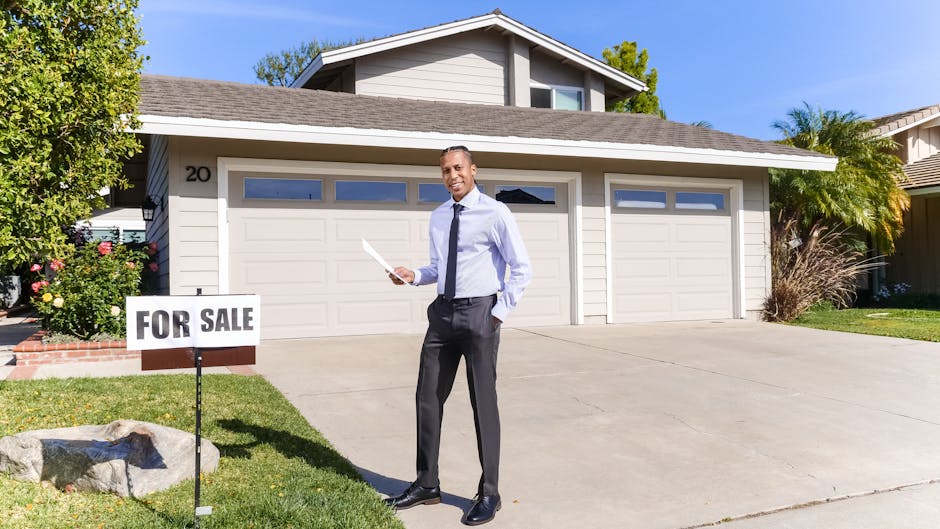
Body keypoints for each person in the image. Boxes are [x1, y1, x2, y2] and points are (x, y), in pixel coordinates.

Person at [385, 145, 532, 526]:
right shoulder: (437, 216)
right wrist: (413, 276)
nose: (453, 175)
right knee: (427, 397)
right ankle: (426, 483)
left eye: (458, 168)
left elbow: (521, 269)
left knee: (483, 402)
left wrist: (497, 315)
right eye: (446, 170)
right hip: (443, 315)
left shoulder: (495, 213)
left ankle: (490, 492)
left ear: (473, 170)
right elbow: (438, 267)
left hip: (481, 313)